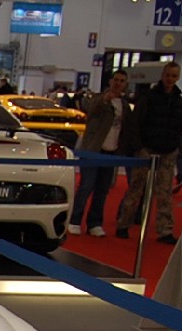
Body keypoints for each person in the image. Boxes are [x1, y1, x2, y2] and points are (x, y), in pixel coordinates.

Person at [115, 61, 182, 245]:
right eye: (168, 75)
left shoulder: (178, 100)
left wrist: (174, 146)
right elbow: (135, 122)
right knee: (136, 188)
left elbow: (178, 125)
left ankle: (165, 229)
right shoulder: (149, 97)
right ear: (163, 75)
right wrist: (140, 147)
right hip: (147, 150)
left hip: (167, 151)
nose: (170, 79)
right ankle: (123, 224)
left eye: (174, 76)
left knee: (165, 192)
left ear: (177, 77)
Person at [68, 70, 130, 237]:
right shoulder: (98, 98)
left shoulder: (125, 105)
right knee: (86, 186)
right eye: (116, 80)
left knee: (102, 190)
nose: (118, 83)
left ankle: (95, 223)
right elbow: (89, 109)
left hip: (111, 152)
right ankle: (74, 220)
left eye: (122, 81)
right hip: (93, 150)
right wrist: (104, 100)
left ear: (125, 84)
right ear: (110, 81)